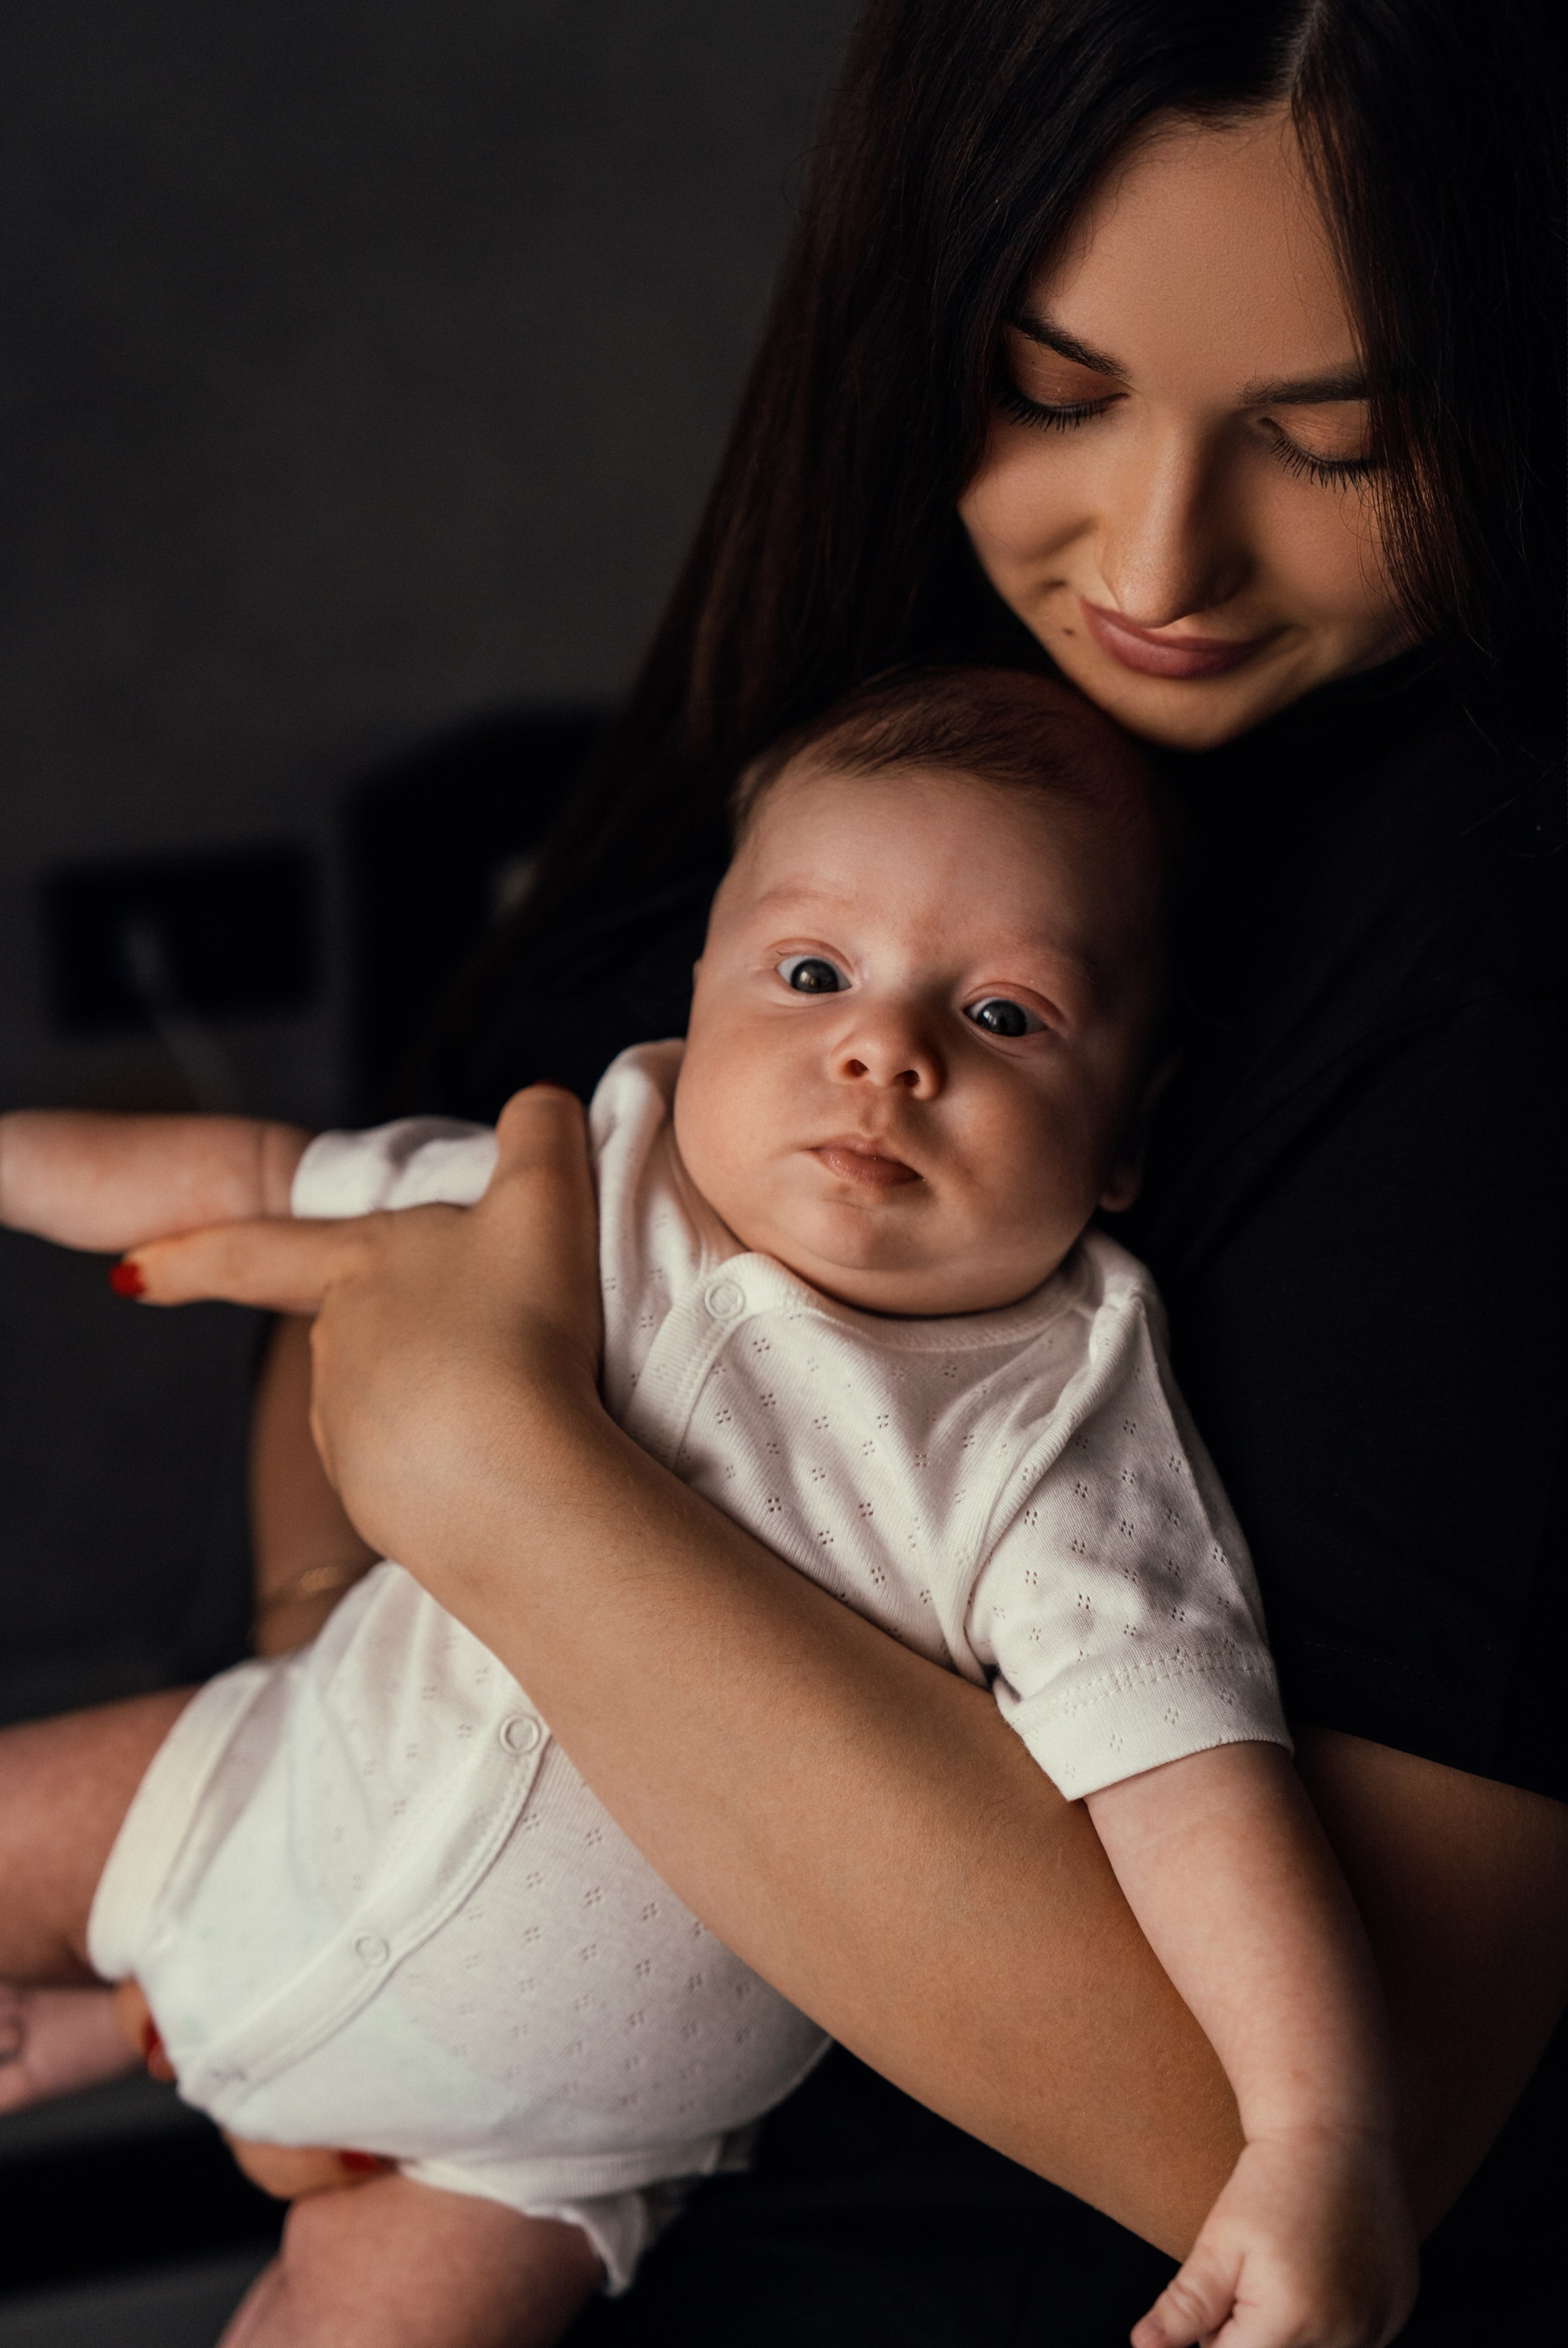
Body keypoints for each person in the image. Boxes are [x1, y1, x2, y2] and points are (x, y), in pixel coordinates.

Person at [10, 0, 1567, 2338]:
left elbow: (1289, 2124)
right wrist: (345, 1779)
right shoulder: (869, 708)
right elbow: (353, 1194)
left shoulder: (1474, 963)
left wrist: (500, 1481)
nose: (1158, 556)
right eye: (1052, 388)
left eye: (1334, 439)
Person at [0, 666, 1417, 2348]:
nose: (882, 1049)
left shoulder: (1050, 1431)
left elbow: (1192, 1782)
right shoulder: (587, 1185)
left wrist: (1321, 2131)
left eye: (1008, 1018)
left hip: (519, 2158)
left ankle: (131, 2018)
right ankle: (126, 2003)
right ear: (700, 998)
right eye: (813, 974)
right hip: (242, 1804)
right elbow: (248, 1180)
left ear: (1128, 1134)